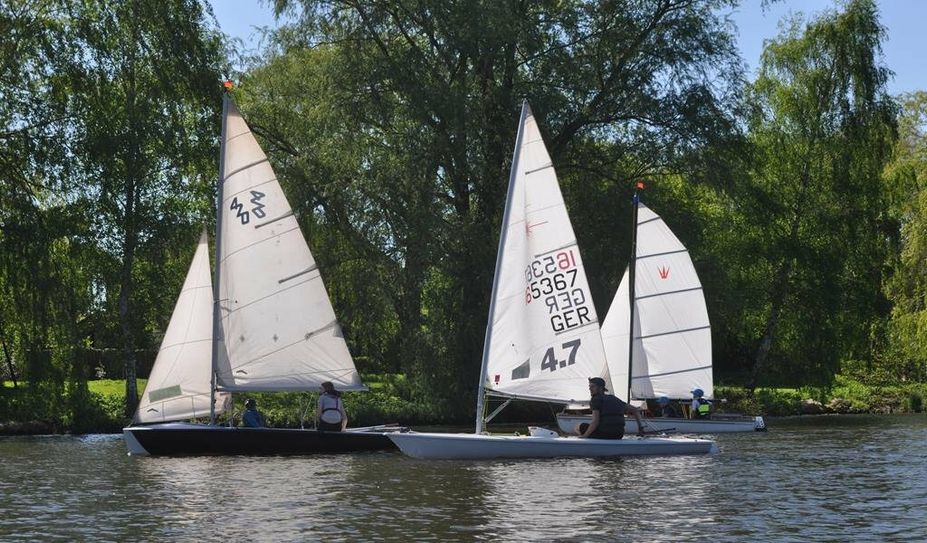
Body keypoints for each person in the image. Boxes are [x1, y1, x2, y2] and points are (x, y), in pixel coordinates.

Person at [578, 377, 644, 439]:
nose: (590, 389)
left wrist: (585, 436)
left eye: (593, 386)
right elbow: (635, 410)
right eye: (589, 387)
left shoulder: (595, 399)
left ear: (601, 388)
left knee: (578, 427)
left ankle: (589, 440)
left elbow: (595, 421)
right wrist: (640, 428)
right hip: (618, 435)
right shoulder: (614, 398)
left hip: (604, 434)